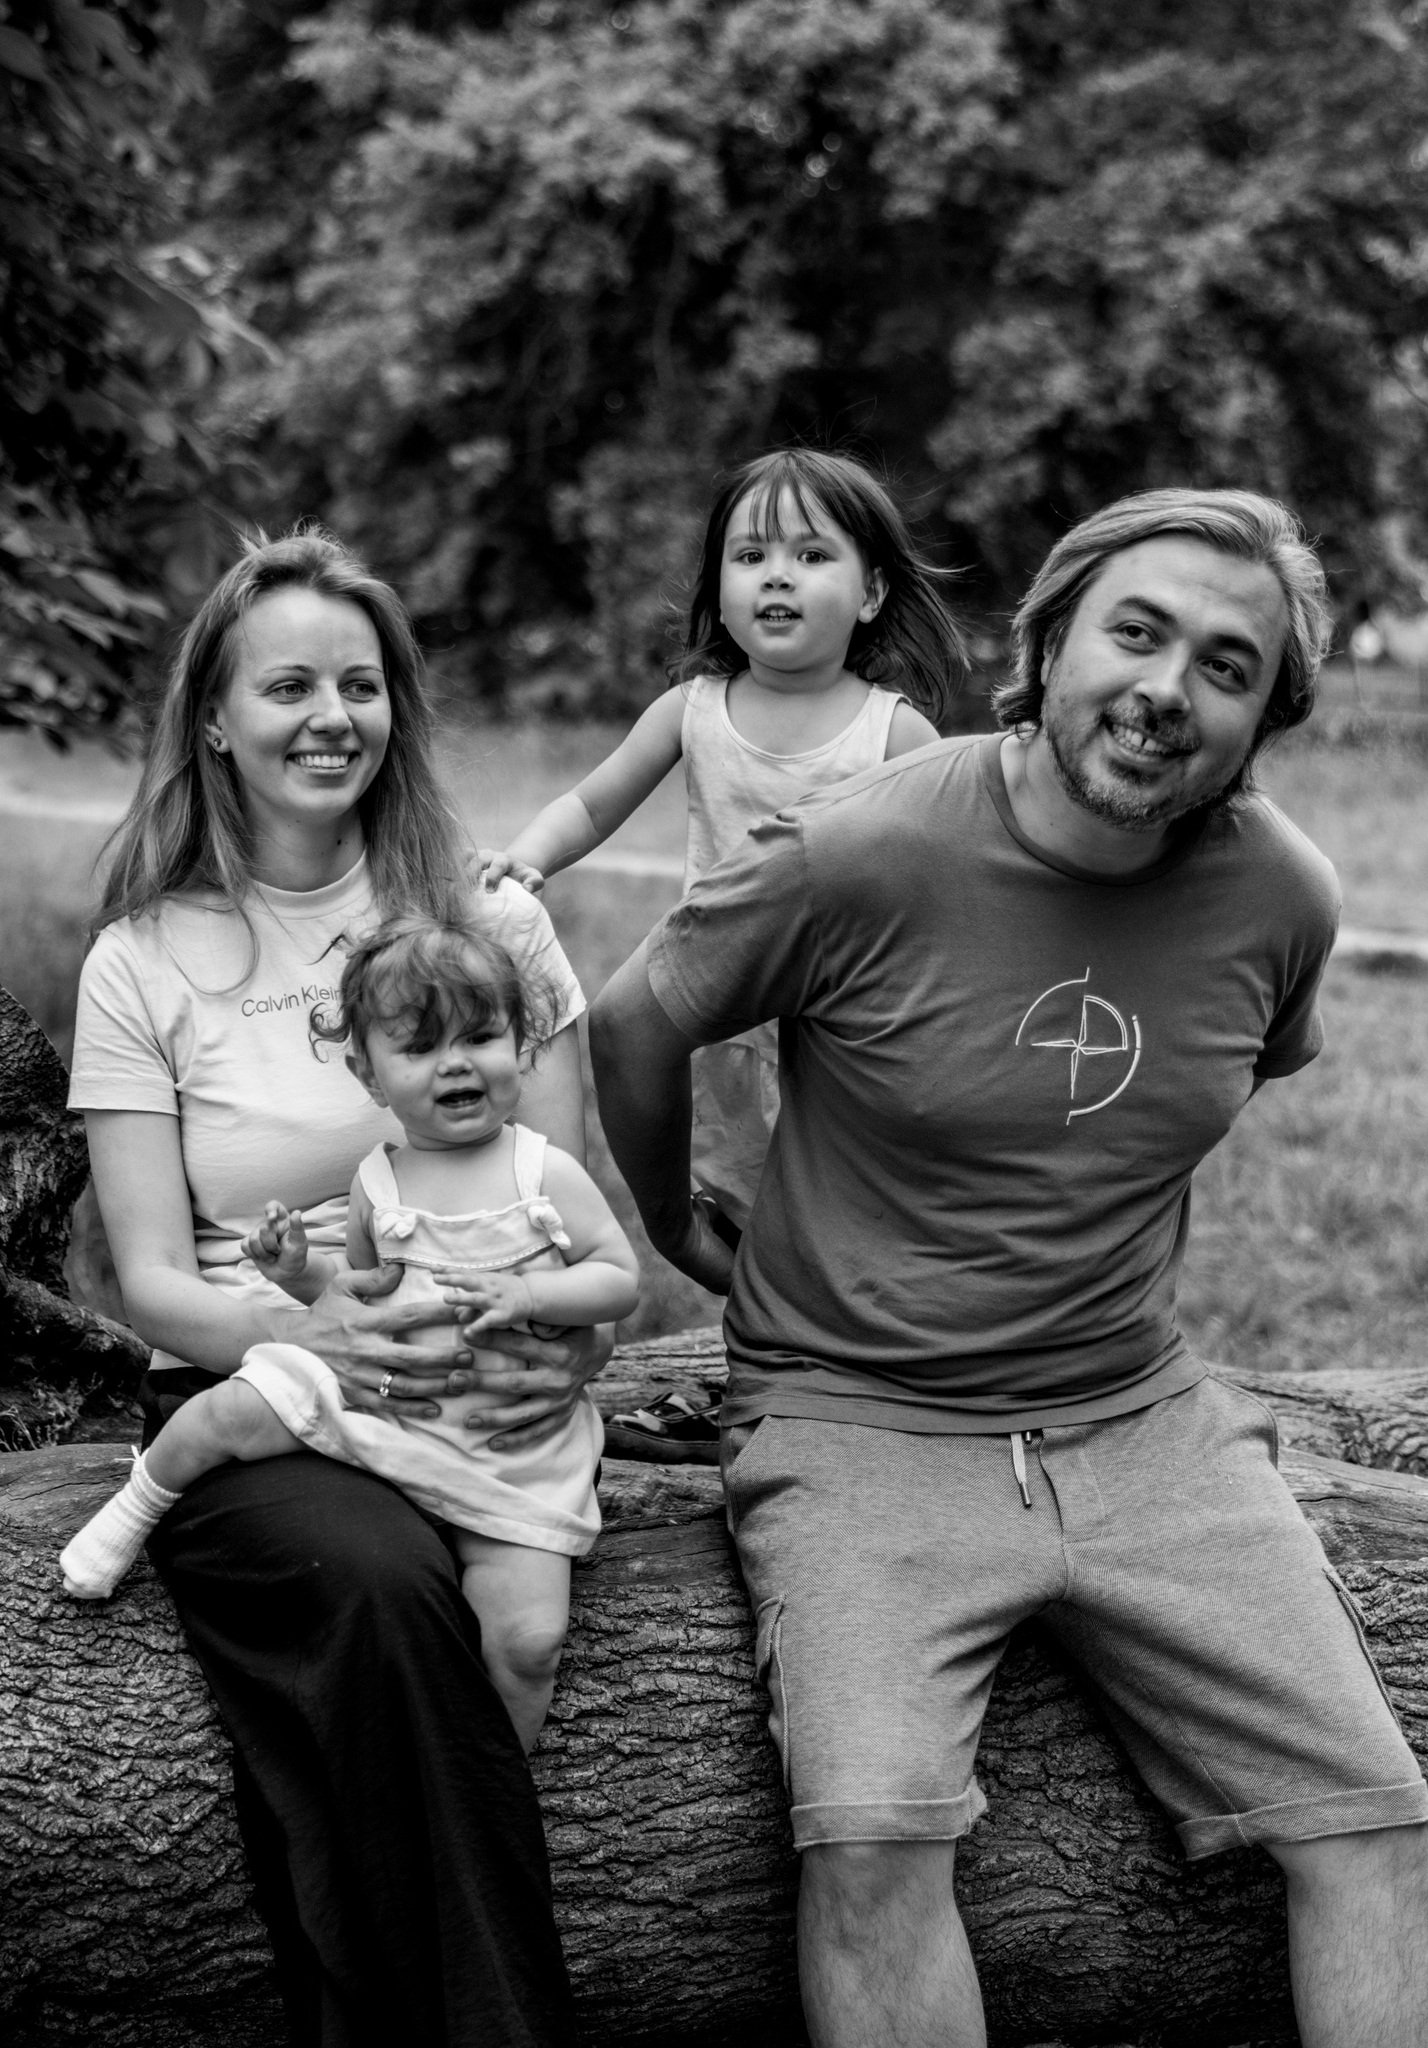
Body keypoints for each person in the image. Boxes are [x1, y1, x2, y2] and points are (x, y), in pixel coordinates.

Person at [590, 488, 1428, 2048]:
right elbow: (636, 1018)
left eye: (1226, 666)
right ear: (1050, 640)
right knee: (869, 1843)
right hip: (854, 1420)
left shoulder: (1285, 898)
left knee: (1372, 1822)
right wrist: (677, 1226)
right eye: (1134, 633)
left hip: (1146, 1420)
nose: (1164, 690)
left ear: (1267, 716)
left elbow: (1213, 1080)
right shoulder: (862, 849)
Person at [64, 527, 602, 2046]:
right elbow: (156, 1279)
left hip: (489, 1390)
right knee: (374, 1587)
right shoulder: (143, 960)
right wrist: (312, 1329)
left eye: (361, 684)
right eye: (288, 683)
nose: (331, 715)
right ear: (215, 721)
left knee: (477, 1614)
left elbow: (563, 1217)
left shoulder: (490, 922)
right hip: (262, 1391)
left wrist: (531, 1353)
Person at [63, 913, 641, 1751]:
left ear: (521, 1047)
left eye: (481, 1037)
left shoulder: (542, 1169)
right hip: (390, 1404)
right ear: (369, 1076)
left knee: (526, 1641)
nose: (455, 1063)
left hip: (506, 1438)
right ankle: (138, 1502)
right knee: (240, 1407)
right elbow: (358, 1294)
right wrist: (299, 1272)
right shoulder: (379, 1182)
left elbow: (618, 1277)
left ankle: (489, 1775)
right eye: (420, 1047)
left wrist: (530, 1292)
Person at [479, 448, 963, 1233]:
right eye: (751, 555)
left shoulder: (895, 732)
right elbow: (594, 804)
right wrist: (527, 857)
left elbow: (947, 873)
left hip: (849, 1011)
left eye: (811, 555)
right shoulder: (692, 710)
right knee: (745, 1190)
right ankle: (752, 1293)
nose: (777, 575)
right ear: (720, 590)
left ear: (871, 592)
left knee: (853, 1191)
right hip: (720, 998)